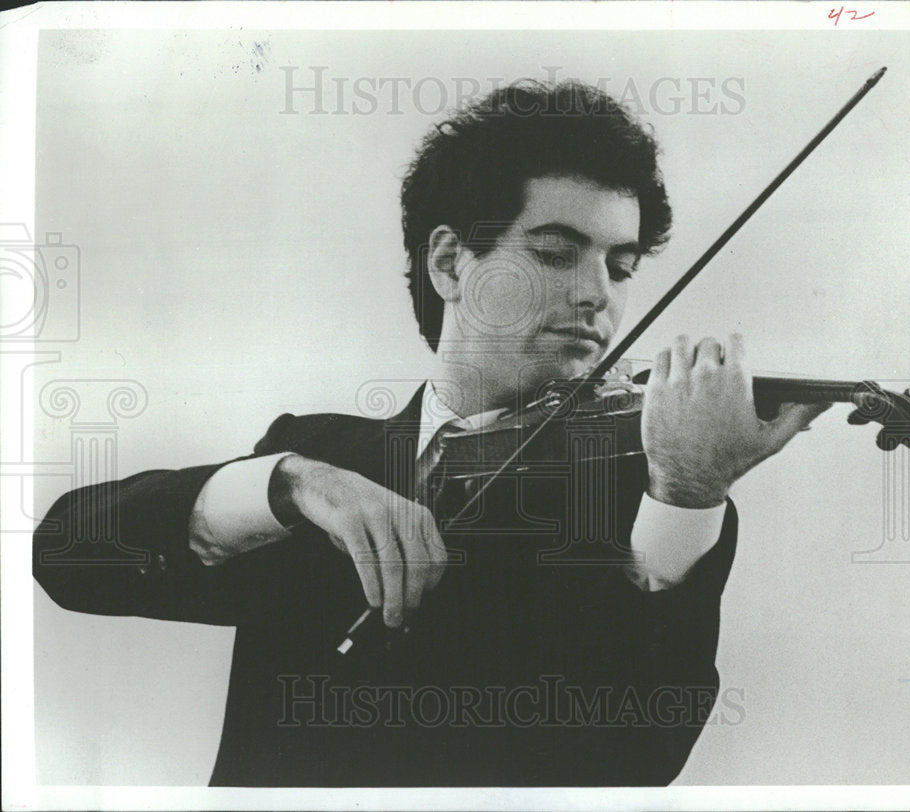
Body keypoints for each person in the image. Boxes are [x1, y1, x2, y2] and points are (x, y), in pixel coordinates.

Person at [33, 81, 826, 787]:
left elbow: (635, 761)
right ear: (449, 262)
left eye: (620, 267)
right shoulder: (320, 457)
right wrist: (290, 481)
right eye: (556, 253)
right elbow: (69, 557)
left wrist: (687, 491)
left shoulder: (645, 498)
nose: (596, 296)